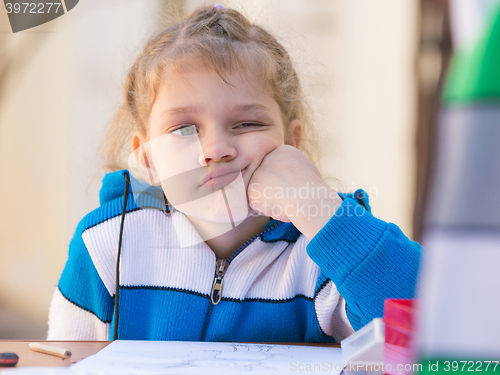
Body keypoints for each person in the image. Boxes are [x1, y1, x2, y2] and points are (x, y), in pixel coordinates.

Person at [47, 5, 421, 342]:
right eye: (183, 129)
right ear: (147, 158)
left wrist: (321, 211)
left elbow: (429, 333)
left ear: (291, 143)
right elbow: (66, 363)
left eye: (246, 123)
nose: (216, 149)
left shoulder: (323, 249)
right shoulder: (105, 245)